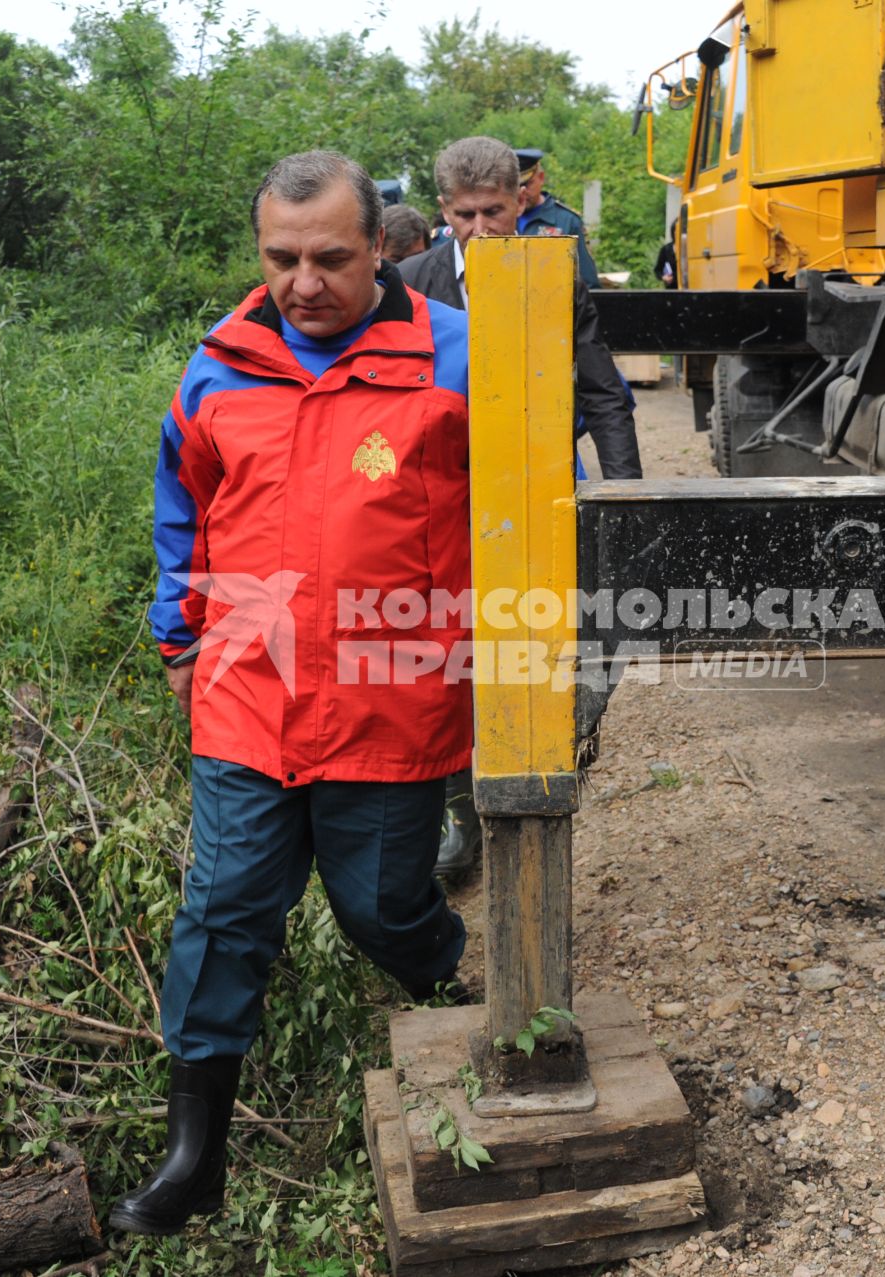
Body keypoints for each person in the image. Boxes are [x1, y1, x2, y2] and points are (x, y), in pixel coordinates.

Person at [118, 150, 470, 1236]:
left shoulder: (457, 357)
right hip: (248, 688)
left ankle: (466, 1008)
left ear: (385, 248)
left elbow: (545, 499)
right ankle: (195, 1156)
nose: (304, 282)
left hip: (391, 687)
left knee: (378, 905)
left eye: (330, 258)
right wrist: (179, 632)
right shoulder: (219, 364)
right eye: (282, 258)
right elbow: (184, 501)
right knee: (224, 911)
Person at [396, 136, 642, 879]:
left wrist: (624, 494)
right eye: (465, 214)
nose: (480, 228)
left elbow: (602, 389)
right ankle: (461, 822)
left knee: (552, 633)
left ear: (520, 202)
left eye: (494, 212)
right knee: (442, 656)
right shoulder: (408, 283)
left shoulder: (555, 274)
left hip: (537, 479)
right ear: (444, 212)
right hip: (440, 495)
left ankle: (541, 780)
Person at [514, 146, 601, 288]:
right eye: (515, 186)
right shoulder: (499, 219)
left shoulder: (566, 221)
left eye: (527, 184)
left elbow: (588, 283)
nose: (522, 191)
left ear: (541, 178)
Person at [655, 221, 679, 289]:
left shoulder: (690, 249)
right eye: (676, 230)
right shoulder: (666, 249)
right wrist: (664, 277)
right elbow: (657, 270)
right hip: (671, 289)